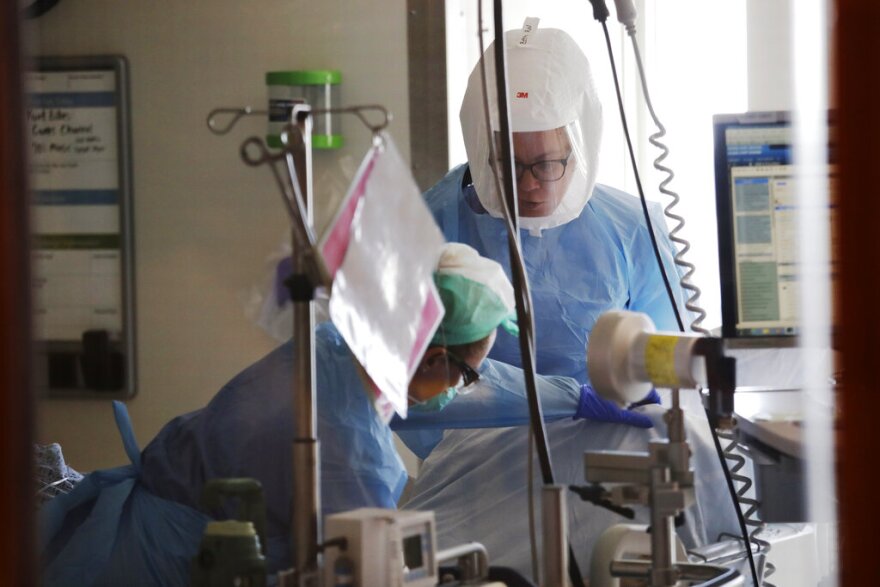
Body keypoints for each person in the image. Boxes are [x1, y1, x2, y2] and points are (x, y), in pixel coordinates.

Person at [38, 243, 523, 586]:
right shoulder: (350, 457)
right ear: (435, 356)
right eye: (465, 376)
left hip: (130, 529)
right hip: (159, 566)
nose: (458, 391)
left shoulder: (334, 349)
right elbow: (359, 567)